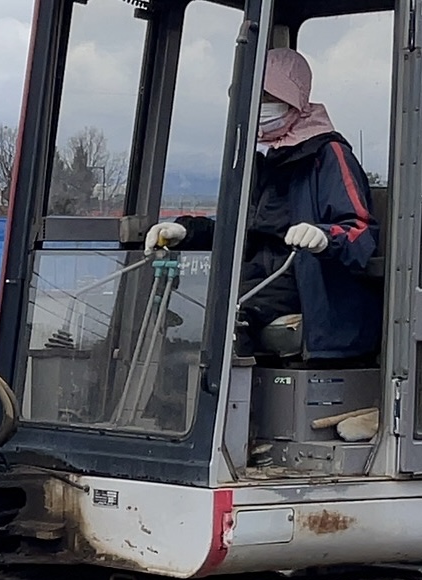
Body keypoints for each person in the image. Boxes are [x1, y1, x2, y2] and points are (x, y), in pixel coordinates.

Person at [145, 45, 381, 362]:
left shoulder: (329, 154)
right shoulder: (260, 159)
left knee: (232, 320)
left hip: (308, 285)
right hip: (259, 278)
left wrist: (324, 237)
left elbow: (359, 232)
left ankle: (229, 407)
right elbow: (241, 229)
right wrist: (186, 231)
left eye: (268, 98)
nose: (260, 107)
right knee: (182, 320)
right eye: (255, 98)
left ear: (293, 101)